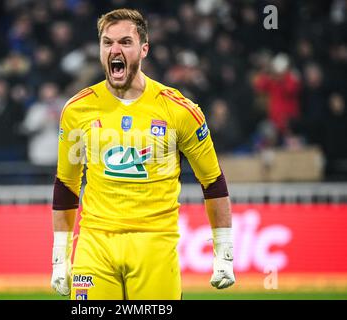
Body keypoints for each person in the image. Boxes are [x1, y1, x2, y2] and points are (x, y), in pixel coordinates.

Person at [51, 9, 234, 300]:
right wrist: (60, 257)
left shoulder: (179, 110)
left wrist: (224, 252)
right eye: (107, 42)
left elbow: (212, 181)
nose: (115, 50)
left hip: (155, 246)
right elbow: (66, 184)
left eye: (125, 42)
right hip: (94, 245)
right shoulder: (77, 110)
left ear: (144, 48)